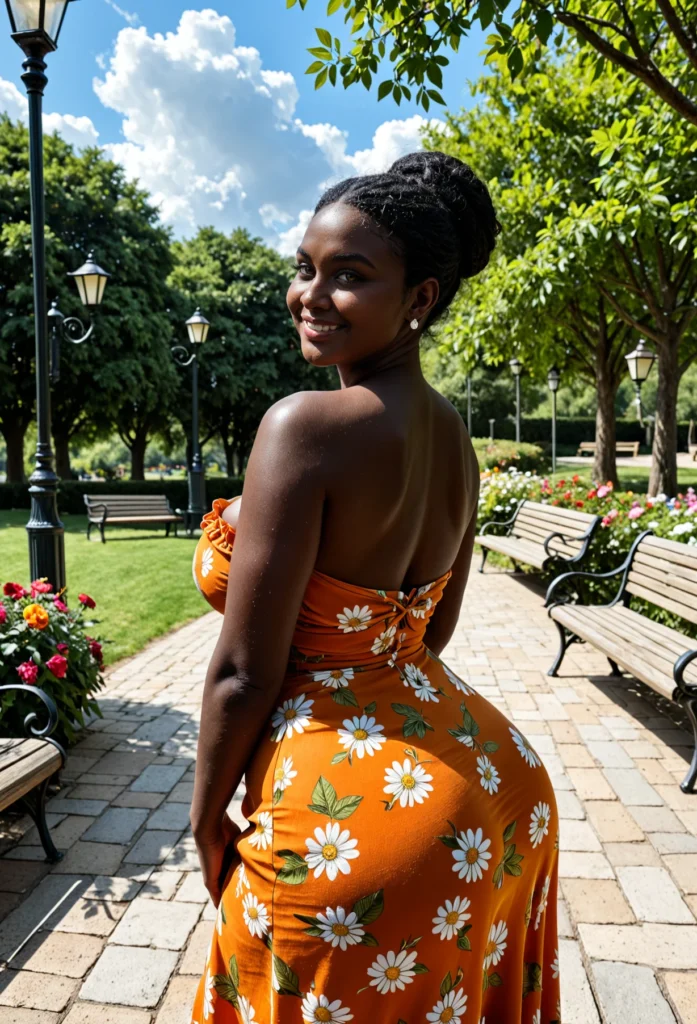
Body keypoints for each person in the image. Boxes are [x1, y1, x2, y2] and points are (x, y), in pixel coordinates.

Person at [188, 151, 560, 1024]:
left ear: (419, 298)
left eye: (349, 276)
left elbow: (243, 673)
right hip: (499, 790)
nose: (311, 296)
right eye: (304, 268)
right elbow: (431, 634)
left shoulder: (305, 427)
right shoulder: (455, 437)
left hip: (353, 831)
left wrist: (206, 823)